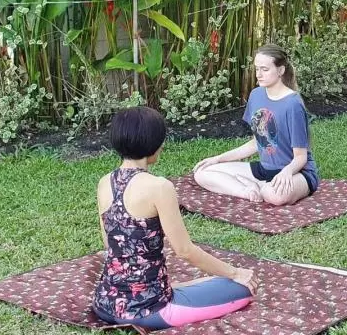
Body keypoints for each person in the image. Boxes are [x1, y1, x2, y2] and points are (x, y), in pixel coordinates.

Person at [93, 107, 255, 330]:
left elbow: (109, 245)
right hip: (149, 310)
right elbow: (185, 251)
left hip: (104, 303)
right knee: (243, 289)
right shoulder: (160, 187)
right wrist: (237, 272)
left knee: (213, 282)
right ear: (153, 144)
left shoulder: (104, 182)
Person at [192, 44, 319, 206]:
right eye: (257, 69)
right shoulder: (256, 95)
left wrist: (286, 172)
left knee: (273, 195)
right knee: (202, 173)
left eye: (264, 69)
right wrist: (218, 159)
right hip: (264, 169)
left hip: (297, 172)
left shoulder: (293, 104)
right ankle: (247, 191)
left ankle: (263, 188)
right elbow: (256, 143)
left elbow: (300, 157)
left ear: (280, 70)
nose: (258, 74)